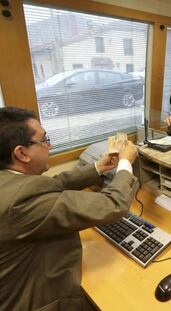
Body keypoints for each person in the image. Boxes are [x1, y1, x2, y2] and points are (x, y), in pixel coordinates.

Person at [0, 107, 140, 310]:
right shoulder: (21, 201)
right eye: (44, 140)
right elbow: (112, 205)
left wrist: (98, 168)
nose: (51, 145)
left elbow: (52, 184)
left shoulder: (9, 181)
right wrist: (126, 162)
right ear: (21, 153)